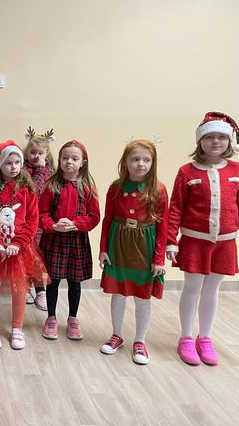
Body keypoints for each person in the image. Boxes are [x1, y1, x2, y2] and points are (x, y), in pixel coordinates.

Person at [167, 111, 239, 366]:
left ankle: (205, 338)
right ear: (200, 141)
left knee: (212, 290)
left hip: (225, 242)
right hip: (195, 241)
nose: (215, 142)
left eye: (221, 137)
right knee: (192, 288)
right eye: (209, 137)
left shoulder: (236, 170)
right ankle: (186, 337)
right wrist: (171, 240)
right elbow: (175, 208)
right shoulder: (186, 172)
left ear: (229, 141)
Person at [98, 140, 168, 365]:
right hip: (118, 243)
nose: (141, 164)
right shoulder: (116, 187)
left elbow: (163, 226)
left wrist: (159, 258)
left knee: (142, 296)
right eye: (135, 159)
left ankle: (140, 340)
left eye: (146, 160)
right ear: (125, 162)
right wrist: (103, 249)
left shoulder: (158, 189)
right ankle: (116, 335)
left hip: (145, 248)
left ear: (153, 163)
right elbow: (107, 219)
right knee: (118, 293)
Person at [0, 140, 49, 350]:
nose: (14, 167)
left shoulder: (27, 188)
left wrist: (18, 242)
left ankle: (17, 328)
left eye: (17, 162)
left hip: (20, 249)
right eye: (8, 163)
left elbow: (32, 221)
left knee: (19, 287)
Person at [39, 140, 100, 341]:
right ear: (59, 160)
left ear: (83, 162)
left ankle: (73, 317)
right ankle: (51, 317)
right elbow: (42, 214)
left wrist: (76, 224)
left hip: (77, 241)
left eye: (74, 158)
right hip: (54, 239)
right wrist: (53, 225)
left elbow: (94, 217)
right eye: (65, 158)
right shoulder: (51, 186)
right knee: (53, 281)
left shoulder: (88, 187)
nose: (69, 162)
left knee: (75, 281)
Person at [22, 126, 56, 310]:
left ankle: (40, 289)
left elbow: (49, 193)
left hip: (43, 222)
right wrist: (39, 170)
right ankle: (25, 287)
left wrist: (43, 170)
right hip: (25, 221)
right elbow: (32, 190)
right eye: (33, 152)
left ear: (46, 154)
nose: (36, 156)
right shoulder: (22, 171)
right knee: (26, 254)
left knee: (39, 256)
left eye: (40, 153)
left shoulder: (51, 172)